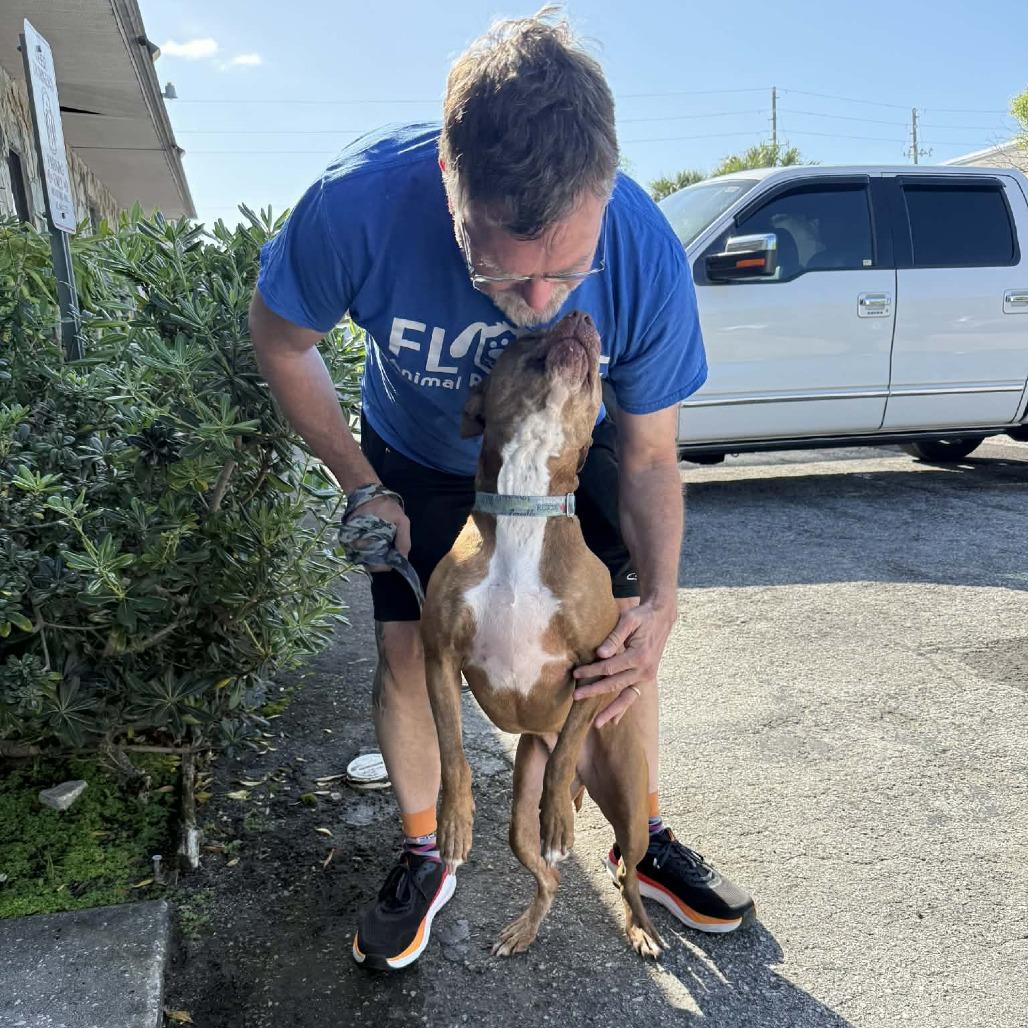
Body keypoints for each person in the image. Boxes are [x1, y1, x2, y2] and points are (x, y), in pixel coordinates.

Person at [249, 10, 754, 970]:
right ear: (450, 182)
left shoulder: (643, 254)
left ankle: (642, 838)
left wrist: (662, 602)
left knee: (618, 654)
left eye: (567, 273)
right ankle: (425, 853)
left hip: (572, 454)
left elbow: (648, 458)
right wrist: (358, 484)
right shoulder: (356, 206)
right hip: (421, 456)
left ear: (605, 195)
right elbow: (282, 340)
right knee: (408, 651)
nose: (537, 304)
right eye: (503, 271)